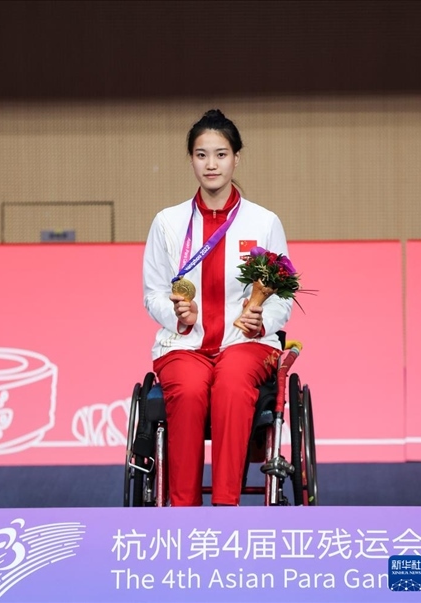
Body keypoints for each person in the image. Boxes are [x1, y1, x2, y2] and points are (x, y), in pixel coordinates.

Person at [143, 109, 293, 506]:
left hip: (246, 343)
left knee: (230, 386)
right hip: (184, 345)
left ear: (236, 158)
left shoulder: (264, 221)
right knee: (189, 390)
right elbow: (153, 293)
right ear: (191, 159)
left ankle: (227, 508)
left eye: (221, 154)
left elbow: (283, 294)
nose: (211, 164)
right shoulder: (167, 222)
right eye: (202, 154)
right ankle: (184, 512)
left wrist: (261, 320)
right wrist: (178, 315)